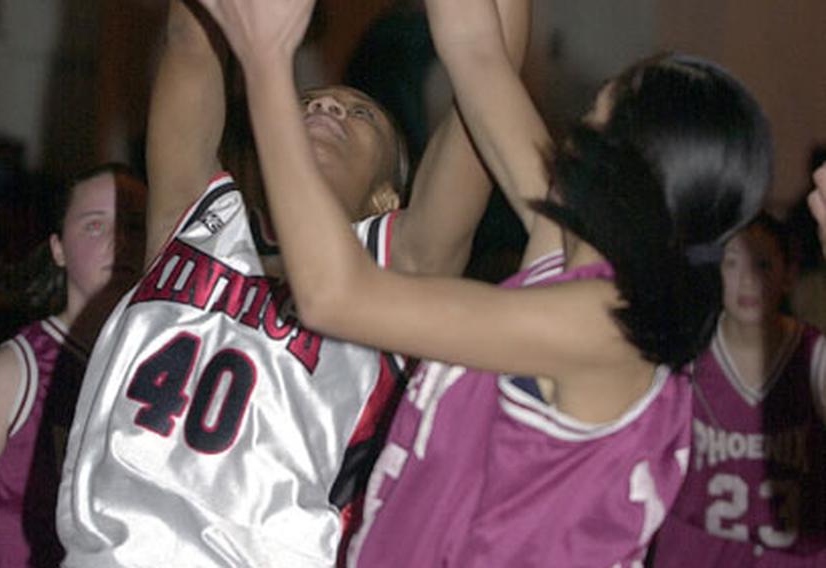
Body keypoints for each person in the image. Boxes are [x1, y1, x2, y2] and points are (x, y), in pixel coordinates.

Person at [209, 0, 772, 565]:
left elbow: (334, 295)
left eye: (598, 111)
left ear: (628, 168)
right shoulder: (569, 246)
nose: (576, 121)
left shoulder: (603, 324)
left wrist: (267, 64)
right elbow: (476, 49)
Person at [55, 0, 536, 566]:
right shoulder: (195, 216)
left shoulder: (398, 265)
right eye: (309, 101)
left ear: (387, 197)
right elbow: (192, 36)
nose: (331, 103)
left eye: (362, 115)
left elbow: (490, 65)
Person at [0, 164, 146, 568]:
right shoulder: (16, 372)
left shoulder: (166, 363)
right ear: (57, 248)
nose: (118, 241)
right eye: (95, 225)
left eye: (133, 225)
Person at [651, 212, 826, 566]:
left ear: (789, 274)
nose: (748, 280)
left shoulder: (816, 356)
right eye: (732, 264)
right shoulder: (686, 354)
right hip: (698, 555)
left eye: (762, 264)